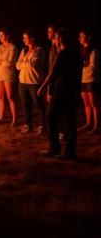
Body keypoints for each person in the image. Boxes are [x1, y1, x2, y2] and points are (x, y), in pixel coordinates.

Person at [38, 29, 82, 159]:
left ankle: (54, 147)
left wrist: (42, 87)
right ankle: (70, 151)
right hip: (73, 91)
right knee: (69, 121)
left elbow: (53, 73)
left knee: (51, 116)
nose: (54, 41)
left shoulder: (63, 54)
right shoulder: (76, 52)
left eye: (56, 38)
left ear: (61, 39)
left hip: (62, 91)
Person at [16, 30, 47, 133]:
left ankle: (43, 126)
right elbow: (17, 65)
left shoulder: (39, 50)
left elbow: (33, 63)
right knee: (26, 105)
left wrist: (23, 63)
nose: (24, 40)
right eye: (23, 38)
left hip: (34, 82)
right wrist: (25, 63)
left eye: (26, 37)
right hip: (23, 82)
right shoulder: (24, 50)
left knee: (39, 105)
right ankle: (28, 125)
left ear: (32, 38)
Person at [0, 28, 18, 126]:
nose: (0, 37)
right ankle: (0, 117)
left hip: (8, 75)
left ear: (7, 36)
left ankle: (14, 120)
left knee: (10, 97)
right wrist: (2, 62)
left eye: (2, 35)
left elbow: (10, 63)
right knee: (0, 97)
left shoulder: (13, 47)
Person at [78, 30, 99, 133]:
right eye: (80, 36)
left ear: (88, 37)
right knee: (86, 103)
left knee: (94, 104)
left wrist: (81, 67)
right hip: (83, 80)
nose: (80, 38)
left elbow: (93, 67)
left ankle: (96, 127)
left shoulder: (94, 51)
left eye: (83, 36)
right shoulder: (82, 50)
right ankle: (88, 124)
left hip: (91, 80)